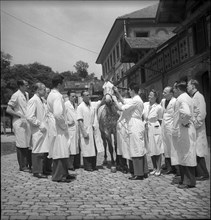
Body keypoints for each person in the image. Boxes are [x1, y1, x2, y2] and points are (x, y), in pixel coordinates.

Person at [112, 82, 148, 180]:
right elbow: (124, 101)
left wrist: (114, 100)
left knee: (136, 148)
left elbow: (121, 107)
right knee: (139, 147)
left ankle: (138, 173)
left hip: (135, 124)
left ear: (132, 90)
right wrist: (117, 93)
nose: (128, 92)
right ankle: (143, 171)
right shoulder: (136, 99)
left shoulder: (135, 100)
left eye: (129, 90)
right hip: (136, 123)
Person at [47, 75, 75, 183]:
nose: (64, 85)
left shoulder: (51, 94)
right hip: (58, 127)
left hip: (55, 126)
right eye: (63, 83)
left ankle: (64, 173)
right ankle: (58, 175)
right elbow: (58, 114)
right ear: (59, 84)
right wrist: (64, 125)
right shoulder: (57, 96)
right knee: (60, 150)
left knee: (63, 150)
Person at [172, 80, 197, 189]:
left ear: (178, 89)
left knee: (187, 155)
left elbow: (186, 113)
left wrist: (184, 122)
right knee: (184, 154)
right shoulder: (187, 97)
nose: (174, 91)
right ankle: (185, 179)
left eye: (174, 89)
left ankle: (188, 181)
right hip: (186, 130)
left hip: (185, 130)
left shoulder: (182, 98)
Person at [6, 80, 31, 172]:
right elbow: (8, 109)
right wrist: (19, 115)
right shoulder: (16, 95)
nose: (27, 86)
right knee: (21, 144)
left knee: (27, 143)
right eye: (25, 85)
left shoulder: (27, 94)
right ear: (20, 86)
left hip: (26, 121)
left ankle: (27, 164)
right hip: (19, 122)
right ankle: (22, 165)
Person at [187, 79, 209, 181]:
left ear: (193, 86)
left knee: (199, 151)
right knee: (195, 150)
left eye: (188, 85)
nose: (187, 87)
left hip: (198, 129)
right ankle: (198, 172)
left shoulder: (199, 97)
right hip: (193, 128)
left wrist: (195, 125)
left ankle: (204, 173)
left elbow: (202, 113)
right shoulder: (192, 97)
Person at [26, 82, 49, 178]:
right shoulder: (33, 100)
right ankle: (36, 171)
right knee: (37, 150)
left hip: (43, 129)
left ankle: (42, 169)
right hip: (37, 130)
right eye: (43, 89)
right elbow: (30, 116)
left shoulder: (42, 100)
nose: (45, 91)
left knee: (42, 150)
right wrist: (39, 124)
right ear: (38, 90)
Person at [77, 90, 103, 172]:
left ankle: (93, 165)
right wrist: (84, 132)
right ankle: (88, 166)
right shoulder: (80, 107)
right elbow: (80, 120)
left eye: (89, 95)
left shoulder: (91, 106)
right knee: (87, 148)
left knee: (93, 148)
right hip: (86, 129)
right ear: (82, 97)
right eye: (86, 95)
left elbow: (100, 104)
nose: (88, 96)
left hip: (92, 129)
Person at [143, 89, 164, 176]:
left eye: (151, 95)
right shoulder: (145, 105)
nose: (149, 97)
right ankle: (154, 167)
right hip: (147, 127)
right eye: (149, 95)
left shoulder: (159, 107)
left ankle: (159, 168)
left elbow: (160, 119)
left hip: (155, 127)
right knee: (150, 149)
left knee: (157, 149)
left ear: (155, 97)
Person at [160, 86, 177, 175]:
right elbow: (161, 112)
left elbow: (176, 115)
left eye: (165, 92)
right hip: (164, 127)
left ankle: (175, 167)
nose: (163, 94)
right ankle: (168, 166)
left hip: (171, 127)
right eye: (163, 92)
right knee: (165, 147)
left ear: (171, 93)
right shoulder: (163, 101)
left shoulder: (175, 101)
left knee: (173, 148)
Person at [65, 90, 80, 171]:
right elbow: (61, 117)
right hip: (69, 129)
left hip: (75, 128)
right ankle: (69, 164)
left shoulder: (76, 105)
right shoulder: (66, 105)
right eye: (72, 96)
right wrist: (67, 122)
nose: (74, 98)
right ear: (68, 97)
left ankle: (73, 163)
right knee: (70, 147)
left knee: (74, 147)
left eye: (75, 96)